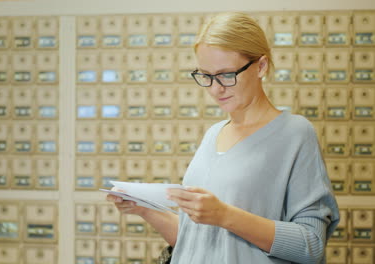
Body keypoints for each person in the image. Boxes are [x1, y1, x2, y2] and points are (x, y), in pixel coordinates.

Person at [106, 12, 339, 263]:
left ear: (261, 66)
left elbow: (311, 245)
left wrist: (225, 215)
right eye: (206, 75)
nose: (216, 89)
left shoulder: (295, 134)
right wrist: (144, 209)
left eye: (227, 74)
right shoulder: (213, 134)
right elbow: (196, 241)